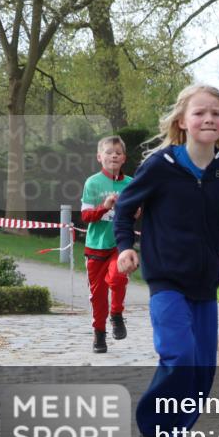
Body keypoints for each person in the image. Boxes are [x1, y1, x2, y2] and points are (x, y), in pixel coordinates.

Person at [114, 84, 219, 437]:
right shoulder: (161, 165)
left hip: (205, 283)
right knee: (180, 357)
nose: (209, 119)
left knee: (203, 373)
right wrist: (125, 247)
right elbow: (125, 208)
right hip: (166, 279)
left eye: (216, 113)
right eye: (199, 113)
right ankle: (153, 432)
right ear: (181, 121)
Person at [81, 135, 133, 353]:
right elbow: (86, 216)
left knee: (119, 277)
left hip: (119, 245)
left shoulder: (130, 183)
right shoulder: (92, 183)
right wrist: (105, 206)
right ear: (99, 157)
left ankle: (117, 314)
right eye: (109, 152)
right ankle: (99, 334)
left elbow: (137, 211)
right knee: (98, 295)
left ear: (124, 159)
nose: (114, 155)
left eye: (118, 153)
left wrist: (133, 210)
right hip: (95, 246)